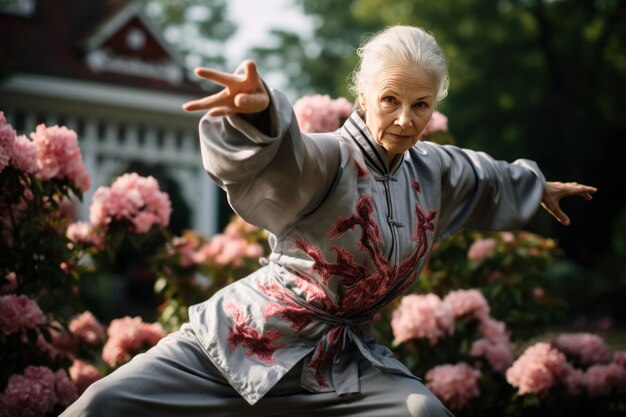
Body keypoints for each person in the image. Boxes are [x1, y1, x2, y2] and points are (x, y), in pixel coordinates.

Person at [62, 25, 596, 417]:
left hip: (343, 364)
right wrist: (260, 114)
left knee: (424, 415)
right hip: (245, 339)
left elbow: (485, 176)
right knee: (101, 405)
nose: (405, 120)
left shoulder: (432, 170)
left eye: (421, 105)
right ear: (362, 95)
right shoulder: (330, 159)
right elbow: (286, 154)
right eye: (390, 100)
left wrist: (536, 186)